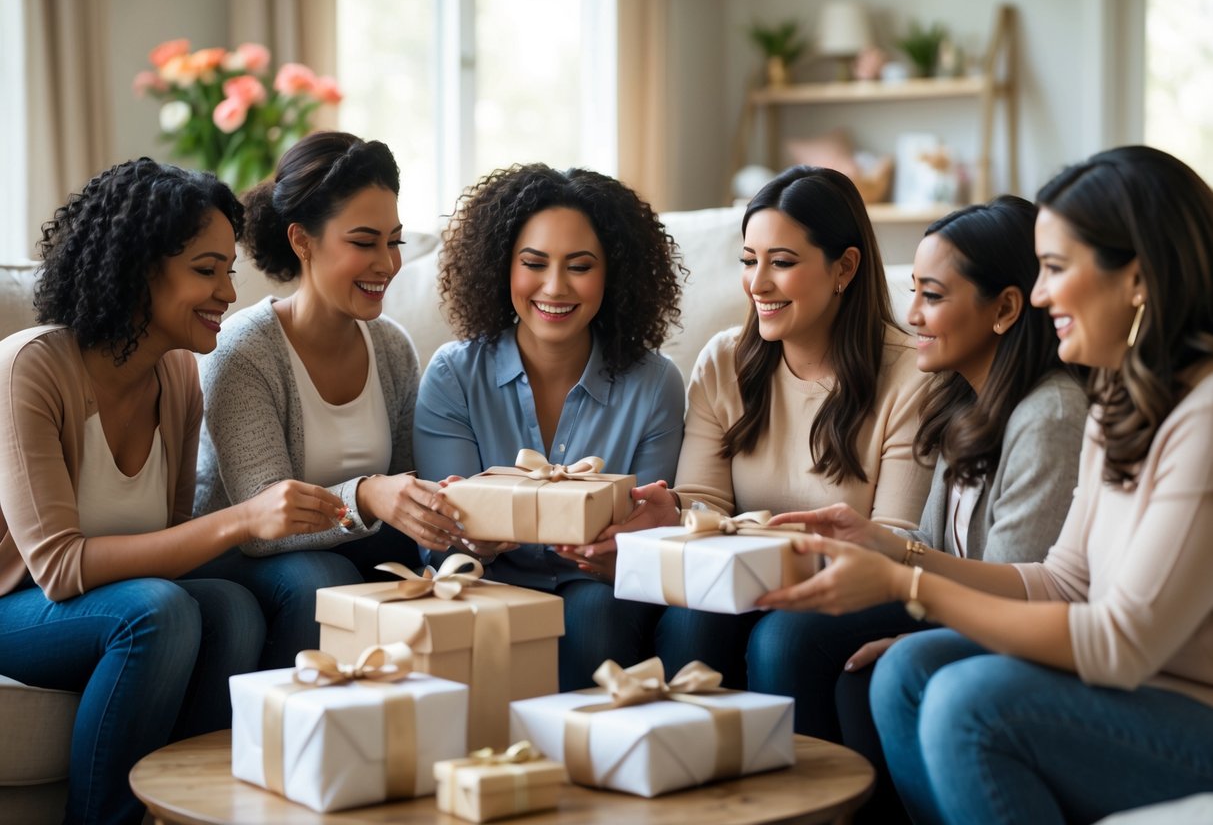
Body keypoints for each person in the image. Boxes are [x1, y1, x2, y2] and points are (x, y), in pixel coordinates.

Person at [761, 145, 1213, 824]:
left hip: (1186, 709)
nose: (1038, 294)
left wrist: (905, 587)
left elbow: (1119, 646)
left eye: (1056, 269)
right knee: (906, 674)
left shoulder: (1201, 421)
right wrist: (893, 553)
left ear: (1138, 280)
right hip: (1133, 689)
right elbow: (1062, 580)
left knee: (967, 703)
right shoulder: (1118, 401)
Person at [0, 159, 345, 825]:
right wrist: (244, 519)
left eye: (229, 272)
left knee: (238, 606)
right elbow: (60, 567)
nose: (227, 293)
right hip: (19, 607)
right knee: (157, 611)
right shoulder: (32, 369)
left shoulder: (180, 377)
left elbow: (170, 535)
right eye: (205, 270)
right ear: (139, 269)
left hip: (108, 601)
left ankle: (209, 808)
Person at [757, 196, 1088, 823]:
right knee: (818, 646)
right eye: (912, 291)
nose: (910, 317)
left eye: (931, 297)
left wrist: (909, 594)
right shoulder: (963, 404)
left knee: (877, 668)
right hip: (968, 611)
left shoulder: (1051, 416)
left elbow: (1026, 590)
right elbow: (933, 545)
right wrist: (874, 540)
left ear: (1007, 309)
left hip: (1027, 629)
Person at [577, 164, 935, 688]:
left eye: (782, 262)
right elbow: (707, 502)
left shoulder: (911, 375)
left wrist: (757, 557)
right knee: (688, 621)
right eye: (749, 261)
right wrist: (674, 511)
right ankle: (694, 764)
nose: (758, 283)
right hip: (746, 576)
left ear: (845, 267)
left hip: (859, 584)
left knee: (782, 640)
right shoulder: (724, 360)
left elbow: (896, 541)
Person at [413, 163, 687, 690]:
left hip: (599, 590)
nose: (555, 287)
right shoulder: (452, 375)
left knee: (591, 611)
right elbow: (443, 542)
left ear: (614, 272)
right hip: (484, 582)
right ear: (502, 267)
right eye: (534, 263)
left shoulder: (655, 383)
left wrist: (624, 549)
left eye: (580, 266)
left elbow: (649, 535)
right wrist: (471, 539)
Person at [193, 131, 462, 668]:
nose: (386, 263)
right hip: (240, 556)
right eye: (364, 242)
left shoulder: (391, 348)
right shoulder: (244, 352)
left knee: (426, 563)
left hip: (345, 549)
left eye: (395, 241)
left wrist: (440, 513)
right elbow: (263, 526)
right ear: (303, 241)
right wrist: (365, 495)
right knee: (322, 578)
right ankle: (292, 733)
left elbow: (404, 489)